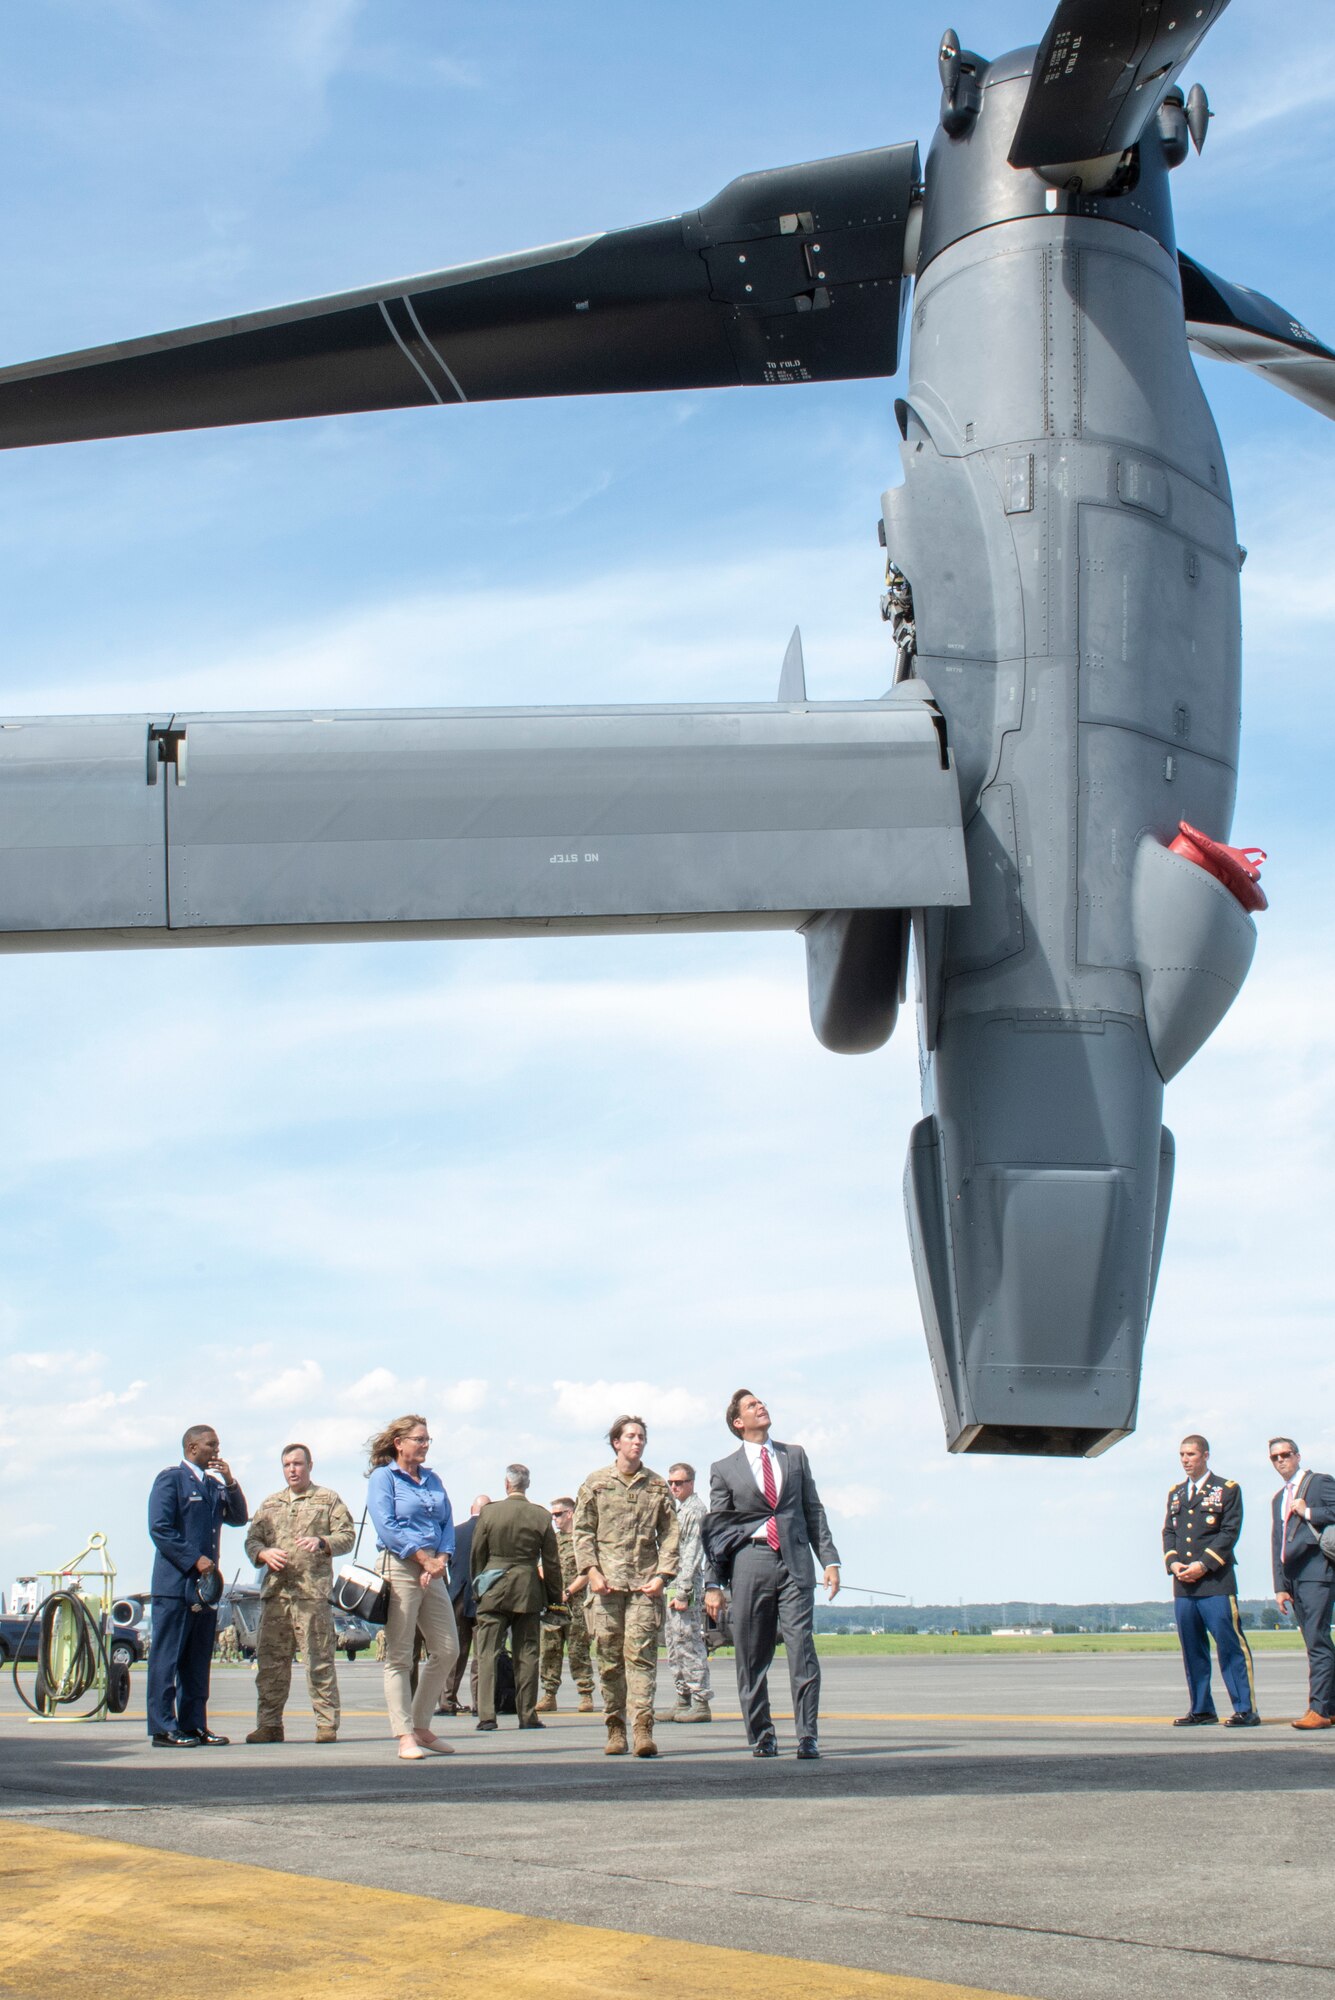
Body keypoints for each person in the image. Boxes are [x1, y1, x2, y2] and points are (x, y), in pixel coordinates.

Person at [703, 1389, 839, 1760]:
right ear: (737, 1422)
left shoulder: (793, 1455)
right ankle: (762, 1734)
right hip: (750, 1563)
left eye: (760, 1402)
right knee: (752, 1654)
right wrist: (713, 1583)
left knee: (802, 1650)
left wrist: (829, 1559)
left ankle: (807, 1735)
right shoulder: (724, 1468)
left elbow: (813, 1509)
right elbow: (719, 1529)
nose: (760, 1406)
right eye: (751, 1405)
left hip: (794, 1562)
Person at [573, 1414, 679, 1758]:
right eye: (630, 1436)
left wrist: (663, 1576)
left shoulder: (657, 1486)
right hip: (606, 1587)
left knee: (642, 1659)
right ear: (616, 1442)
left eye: (641, 1437)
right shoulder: (596, 1483)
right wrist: (590, 1571)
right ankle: (615, 1727)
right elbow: (582, 1530)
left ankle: (643, 1729)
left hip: (644, 1587)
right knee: (608, 1660)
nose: (637, 1441)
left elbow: (671, 1533)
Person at [243, 1442, 356, 1744]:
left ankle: (326, 1724)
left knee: (319, 1660)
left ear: (309, 1465)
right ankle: (269, 1724)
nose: (292, 1470)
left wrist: (322, 1541)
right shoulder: (269, 1505)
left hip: (312, 1595)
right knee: (270, 1665)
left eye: (298, 1464)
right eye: (287, 1465)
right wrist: (264, 1553)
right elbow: (251, 1541)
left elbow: (347, 1537)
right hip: (277, 1597)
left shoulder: (327, 1500)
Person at [146, 1424, 248, 1747]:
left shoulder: (214, 1485)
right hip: (176, 1586)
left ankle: (193, 1724)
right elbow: (160, 1529)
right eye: (210, 1445)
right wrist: (195, 1559)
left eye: (217, 1445)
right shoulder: (171, 1480)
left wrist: (230, 1482)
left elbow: (239, 1517)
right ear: (192, 1448)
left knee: (197, 1660)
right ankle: (163, 1726)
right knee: (168, 1657)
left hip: (204, 1590)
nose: (216, 1450)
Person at [366, 1412, 460, 1762]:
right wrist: (423, 1559)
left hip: (433, 1569)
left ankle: (421, 1724)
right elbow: (387, 1525)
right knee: (400, 1655)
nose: (424, 1445)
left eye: (427, 1440)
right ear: (399, 1443)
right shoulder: (383, 1478)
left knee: (448, 1648)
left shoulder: (433, 1479)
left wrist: (441, 1559)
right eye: (419, 1439)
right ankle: (404, 1734)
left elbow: (447, 1521)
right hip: (401, 1565)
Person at [1161, 1433, 1257, 1727]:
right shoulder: (1176, 1493)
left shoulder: (1226, 1489)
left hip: (1216, 1582)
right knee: (1192, 1649)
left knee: (1229, 1646)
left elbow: (1229, 1532)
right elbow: (1169, 1532)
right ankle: (1202, 1708)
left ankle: (1245, 1709)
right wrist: (1174, 1562)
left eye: (1190, 1454)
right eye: (1181, 1455)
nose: (1185, 1460)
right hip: (1184, 1585)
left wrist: (1203, 1565)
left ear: (1205, 1455)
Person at [470, 1466, 564, 1732]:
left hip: (493, 1587)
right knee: (528, 1653)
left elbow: (477, 1553)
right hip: (528, 1589)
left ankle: (487, 1715)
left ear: (506, 1485)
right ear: (527, 1484)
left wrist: (479, 1586)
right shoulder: (541, 1516)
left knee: (487, 1652)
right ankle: (527, 1714)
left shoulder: (489, 1512)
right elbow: (552, 1563)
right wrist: (555, 1598)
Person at [1269, 1436, 1335, 1729]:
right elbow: (1277, 1543)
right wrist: (1280, 1586)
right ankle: (1329, 1707)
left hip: (1317, 1573)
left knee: (1318, 1642)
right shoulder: (1278, 1498)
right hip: (1294, 1578)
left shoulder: (1318, 1483)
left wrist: (1307, 1512)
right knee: (1315, 1643)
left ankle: (1319, 1710)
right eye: (1275, 1457)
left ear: (1297, 1455)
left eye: (1285, 1454)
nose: (1281, 1460)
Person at [657, 1462, 713, 1724]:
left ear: (691, 1483)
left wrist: (684, 1591)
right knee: (674, 1643)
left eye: (679, 1482)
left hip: (685, 1583)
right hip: (672, 1583)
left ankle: (700, 1700)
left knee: (689, 1642)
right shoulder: (679, 1510)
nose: (674, 1487)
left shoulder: (695, 1510)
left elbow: (692, 1552)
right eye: (671, 1483)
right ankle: (682, 1698)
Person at [537, 1496, 595, 1713]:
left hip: (575, 1604)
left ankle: (585, 1693)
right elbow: (541, 1566)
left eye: (558, 1514)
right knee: (550, 1648)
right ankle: (549, 1694)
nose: (555, 1519)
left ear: (570, 1513)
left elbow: (588, 1572)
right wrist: (551, 1587)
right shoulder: (552, 1540)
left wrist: (568, 1591)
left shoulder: (582, 1541)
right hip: (553, 1604)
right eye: (552, 1515)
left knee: (578, 1649)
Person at [438, 1493, 490, 1716]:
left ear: (471, 1509)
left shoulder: (455, 1533)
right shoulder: (491, 1534)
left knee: (455, 1652)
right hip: (483, 1597)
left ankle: (447, 1701)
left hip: (457, 1597)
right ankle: (480, 1703)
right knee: (483, 1655)